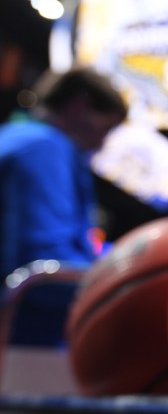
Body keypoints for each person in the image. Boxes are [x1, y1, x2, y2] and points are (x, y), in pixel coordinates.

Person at [0, 67, 126, 345]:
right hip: (22, 346)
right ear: (79, 106)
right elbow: (45, 267)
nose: (102, 144)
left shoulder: (14, 135)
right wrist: (129, 275)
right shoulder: (44, 148)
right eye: (106, 129)